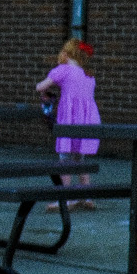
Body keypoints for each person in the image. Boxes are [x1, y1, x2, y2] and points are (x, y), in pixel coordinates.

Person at [36, 36, 101, 205]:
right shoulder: (88, 74)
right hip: (86, 121)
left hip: (69, 120)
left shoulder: (63, 70)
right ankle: (86, 195)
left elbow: (41, 86)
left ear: (66, 54)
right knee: (79, 158)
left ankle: (64, 198)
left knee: (65, 159)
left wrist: (43, 90)